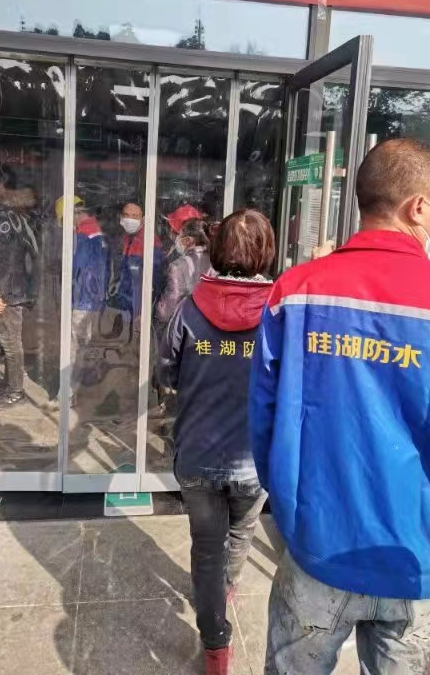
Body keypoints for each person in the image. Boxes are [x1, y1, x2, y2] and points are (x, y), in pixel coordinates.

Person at [250, 138, 430, 675]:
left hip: (317, 546)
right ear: (418, 207)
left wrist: (294, 509)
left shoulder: (294, 292)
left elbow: (263, 422)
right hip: (418, 560)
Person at [158, 209, 276, 675]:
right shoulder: (279, 313)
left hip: (198, 455)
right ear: (265, 252)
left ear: (217, 249)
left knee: (206, 548)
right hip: (254, 459)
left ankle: (214, 646)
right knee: (240, 534)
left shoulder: (188, 309)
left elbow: (167, 372)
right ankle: (224, 590)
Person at [0, 166, 39, 411]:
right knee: (9, 339)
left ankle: (15, 392)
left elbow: (0, 258)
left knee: (10, 342)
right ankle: (11, 383)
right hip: (17, 286)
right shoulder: (12, 213)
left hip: (9, 289)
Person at [56, 196, 109, 405]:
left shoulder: (83, 234)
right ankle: (78, 390)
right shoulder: (97, 231)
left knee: (73, 348)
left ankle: (68, 393)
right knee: (83, 345)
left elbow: (74, 267)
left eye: (64, 220)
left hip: (81, 299)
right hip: (93, 299)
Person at [115, 202, 164, 335]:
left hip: (140, 308)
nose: (129, 219)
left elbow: (156, 282)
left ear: (143, 219)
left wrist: (145, 311)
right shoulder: (125, 238)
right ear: (121, 217)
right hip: (126, 304)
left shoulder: (151, 242)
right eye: (126, 215)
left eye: (134, 216)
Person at [156, 217, 213, 326]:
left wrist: (158, 313)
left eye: (180, 235)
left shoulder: (178, 266)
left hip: (189, 326)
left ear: (188, 240)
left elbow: (172, 300)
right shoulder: (217, 261)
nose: (177, 239)